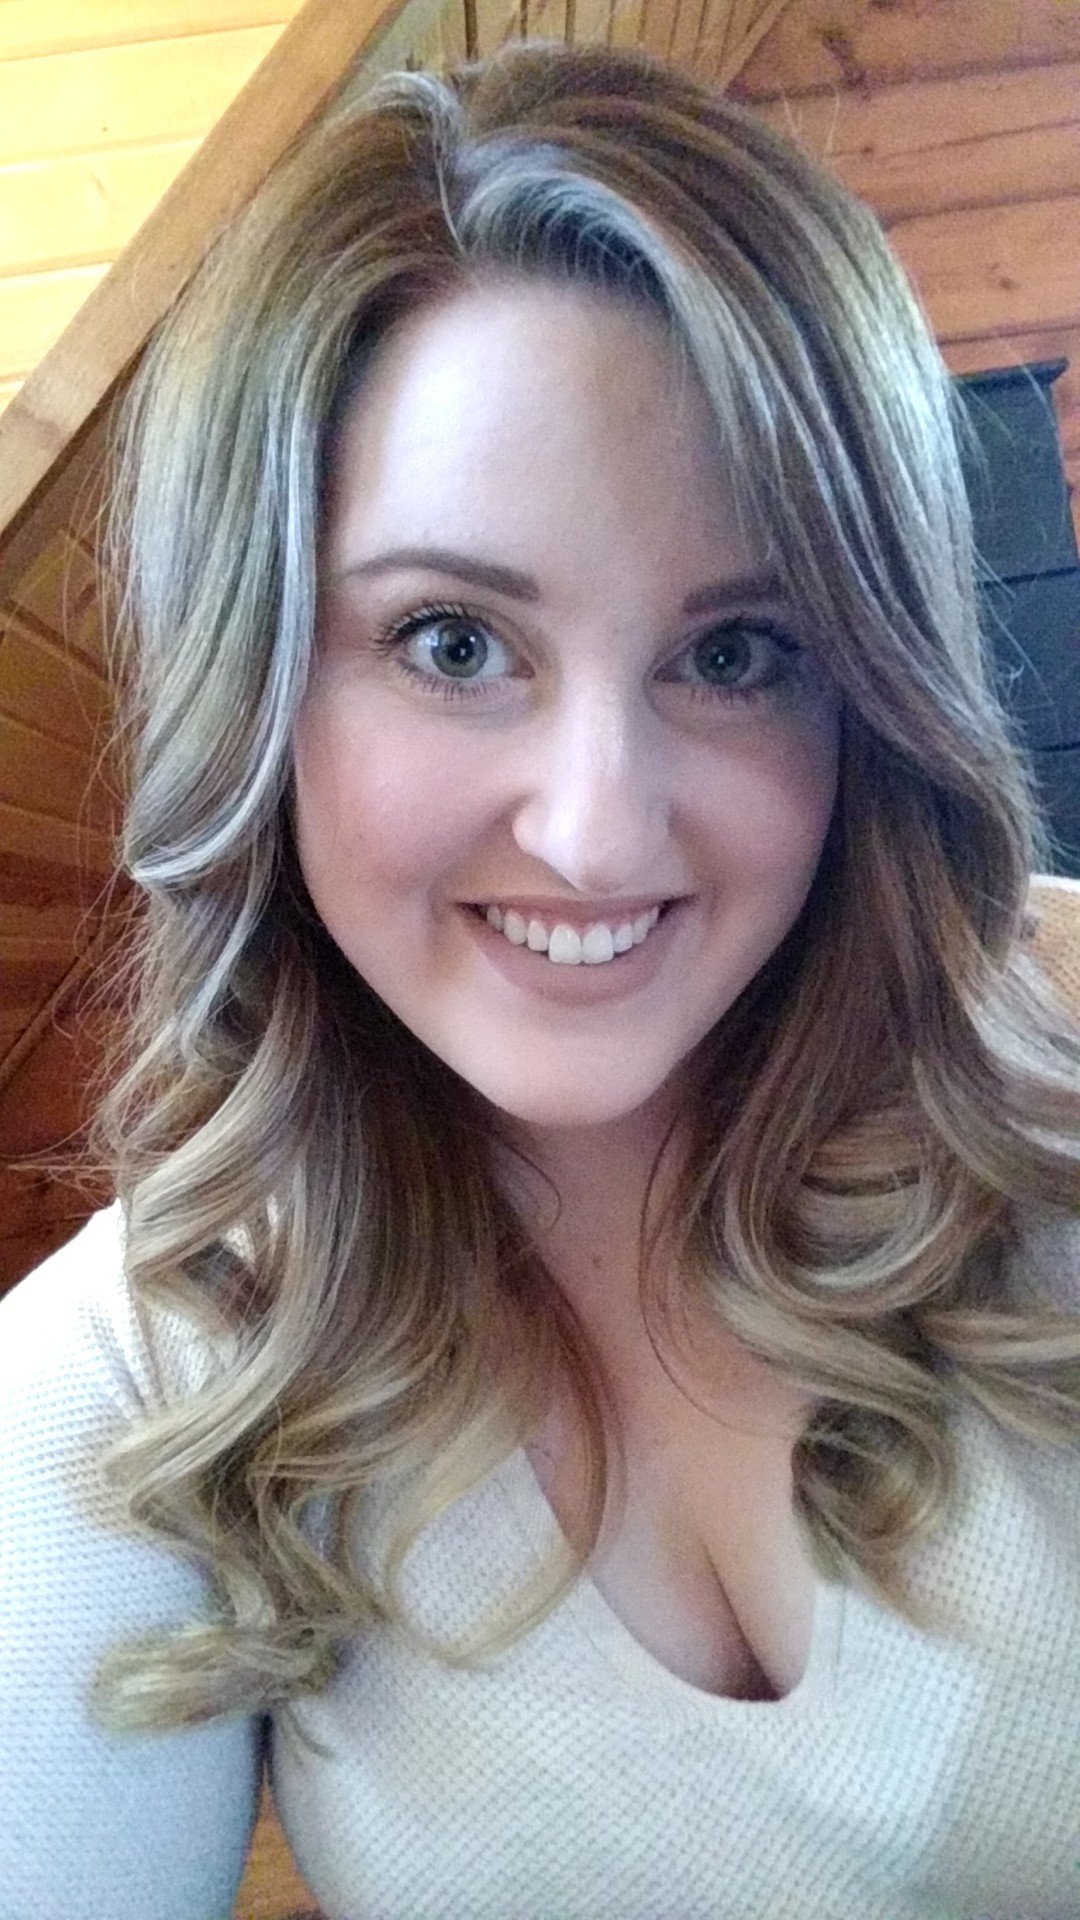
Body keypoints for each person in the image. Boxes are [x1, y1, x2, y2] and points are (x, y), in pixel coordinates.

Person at [1, 37, 1078, 1920]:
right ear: (262, 683)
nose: (594, 831)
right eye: (451, 641)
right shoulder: (133, 1378)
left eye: (734, 654)